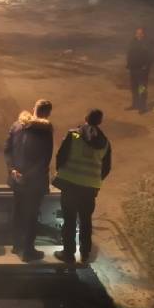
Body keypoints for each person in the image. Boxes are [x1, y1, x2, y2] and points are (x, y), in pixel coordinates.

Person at [52, 109, 112, 265]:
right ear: (100, 122)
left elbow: (61, 155)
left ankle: (68, 254)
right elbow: (106, 167)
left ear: (85, 118)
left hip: (70, 184)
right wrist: (94, 180)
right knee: (86, 220)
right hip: (89, 188)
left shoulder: (74, 135)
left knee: (69, 219)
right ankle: (85, 254)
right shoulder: (105, 142)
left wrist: (62, 172)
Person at [4, 99, 55, 262]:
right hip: (34, 182)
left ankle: (16, 245)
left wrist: (13, 170)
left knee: (18, 212)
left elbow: (7, 150)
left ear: (34, 109)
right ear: (47, 113)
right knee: (31, 215)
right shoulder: (45, 131)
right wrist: (27, 176)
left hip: (16, 179)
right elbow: (44, 159)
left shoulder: (16, 125)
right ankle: (27, 251)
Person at [127, 27, 154, 113]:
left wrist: (146, 66)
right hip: (133, 68)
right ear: (135, 34)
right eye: (137, 33)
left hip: (143, 70)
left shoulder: (148, 43)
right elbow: (129, 53)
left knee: (142, 88)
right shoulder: (133, 42)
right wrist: (128, 64)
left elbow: (152, 56)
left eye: (141, 33)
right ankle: (135, 104)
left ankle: (142, 107)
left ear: (144, 34)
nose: (139, 34)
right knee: (134, 88)